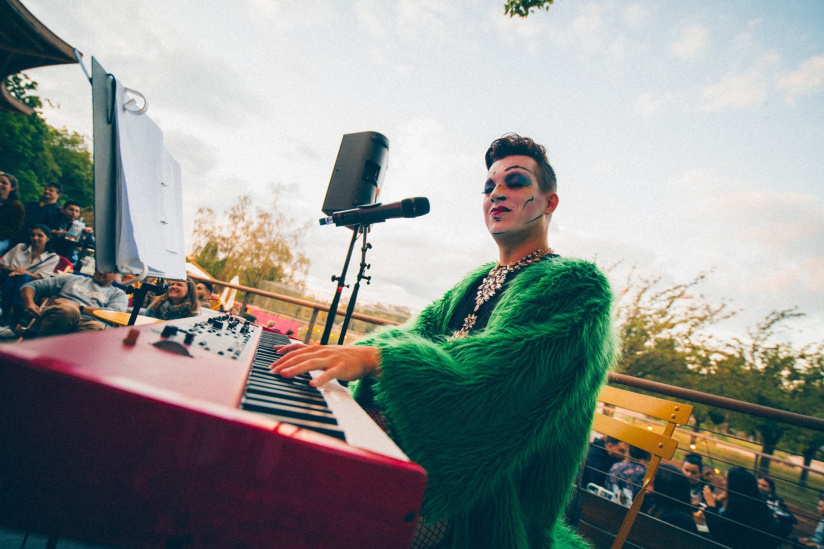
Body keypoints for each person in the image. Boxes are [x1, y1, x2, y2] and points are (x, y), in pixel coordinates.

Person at [272, 134, 618, 549]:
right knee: (286, 457)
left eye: (516, 182)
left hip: (487, 503)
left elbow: (499, 378)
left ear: (549, 202)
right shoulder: (476, 280)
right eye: (489, 186)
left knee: (313, 505)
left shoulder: (579, 286)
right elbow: (412, 336)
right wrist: (338, 357)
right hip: (419, 457)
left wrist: (381, 360)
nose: (497, 193)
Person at [20, 271, 128, 337]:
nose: (101, 271)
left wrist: (79, 307)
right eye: (99, 267)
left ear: (115, 275)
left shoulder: (118, 294)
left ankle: (61, 368)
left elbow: (114, 314)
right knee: (68, 311)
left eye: (107, 270)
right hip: (60, 316)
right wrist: (29, 303)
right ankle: (39, 356)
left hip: (89, 323)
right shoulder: (72, 278)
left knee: (96, 327)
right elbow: (32, 285)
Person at [0, 224, 60, 327]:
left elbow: (42, 277)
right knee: (14, 279)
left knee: (22, 278)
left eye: (40, 235)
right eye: (33, 235)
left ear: (48, 238)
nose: (35, 238)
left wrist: (24, 272)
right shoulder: (20, 247)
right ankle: (17, 316)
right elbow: (3, 263)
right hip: (10, 277)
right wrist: (16, 270)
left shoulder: (52, 257)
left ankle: (5, 313)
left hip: (32, 285)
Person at [703, 467, 776, 549]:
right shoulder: (756, 503)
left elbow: (717, 532)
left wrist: (711, 505)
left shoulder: (739, 507)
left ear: (736, 483)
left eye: (727, 479)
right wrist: (719, 502)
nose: (723, 482)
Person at [645, 463, 699, 534]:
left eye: (653, 478)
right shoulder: (657, 506)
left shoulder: (674, 518)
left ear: (663, 485)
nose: (649, 480)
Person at [14, 182, 63, 246]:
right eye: (46, 189)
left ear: (58, 194)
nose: (47, 191)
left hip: (34, 240)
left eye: (51, 190)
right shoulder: (32, 204)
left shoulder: (57, 211)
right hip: (18, 235)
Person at [758, 475, 798, 540]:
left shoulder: (777, 501)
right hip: (761, 525)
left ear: (770, 489)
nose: (760, 487)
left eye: (764, 486)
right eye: (758, 484)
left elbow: (792, 519)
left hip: (774, 527)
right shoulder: (753, 497)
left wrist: (777, 516)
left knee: (788, 526)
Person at [0, 171, 25, 255]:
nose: (0, 184)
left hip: (2, 239)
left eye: (4, 183)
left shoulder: (17, 207)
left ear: (12, 187)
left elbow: (13, 229)